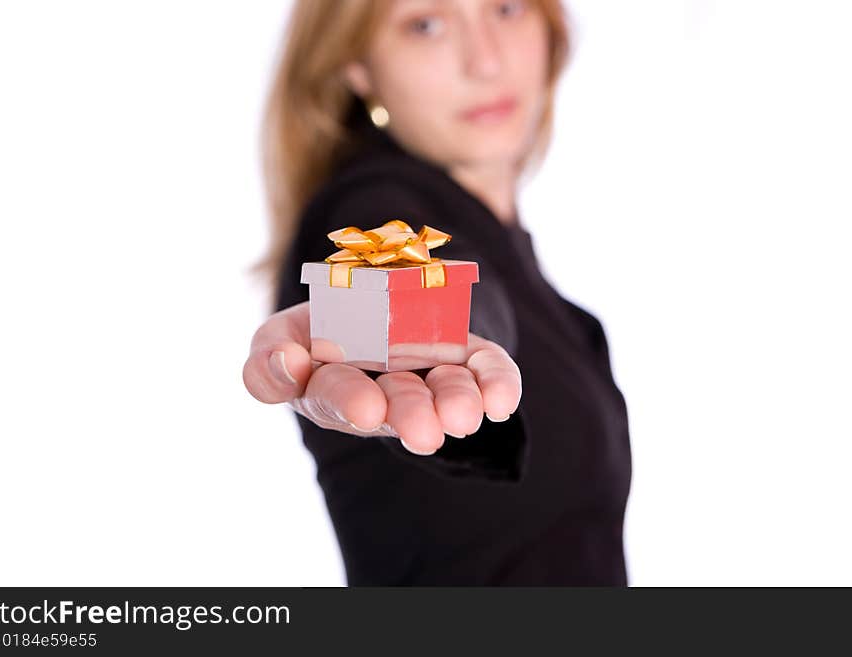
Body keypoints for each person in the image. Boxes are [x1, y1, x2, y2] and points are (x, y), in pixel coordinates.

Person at [243, 0, 632, 585]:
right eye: (426, 24)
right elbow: (418, 267)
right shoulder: (368, 205)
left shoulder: (517, 261)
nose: (486, 61)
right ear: (358, 67)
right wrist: (425, 333)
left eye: (506, 8)